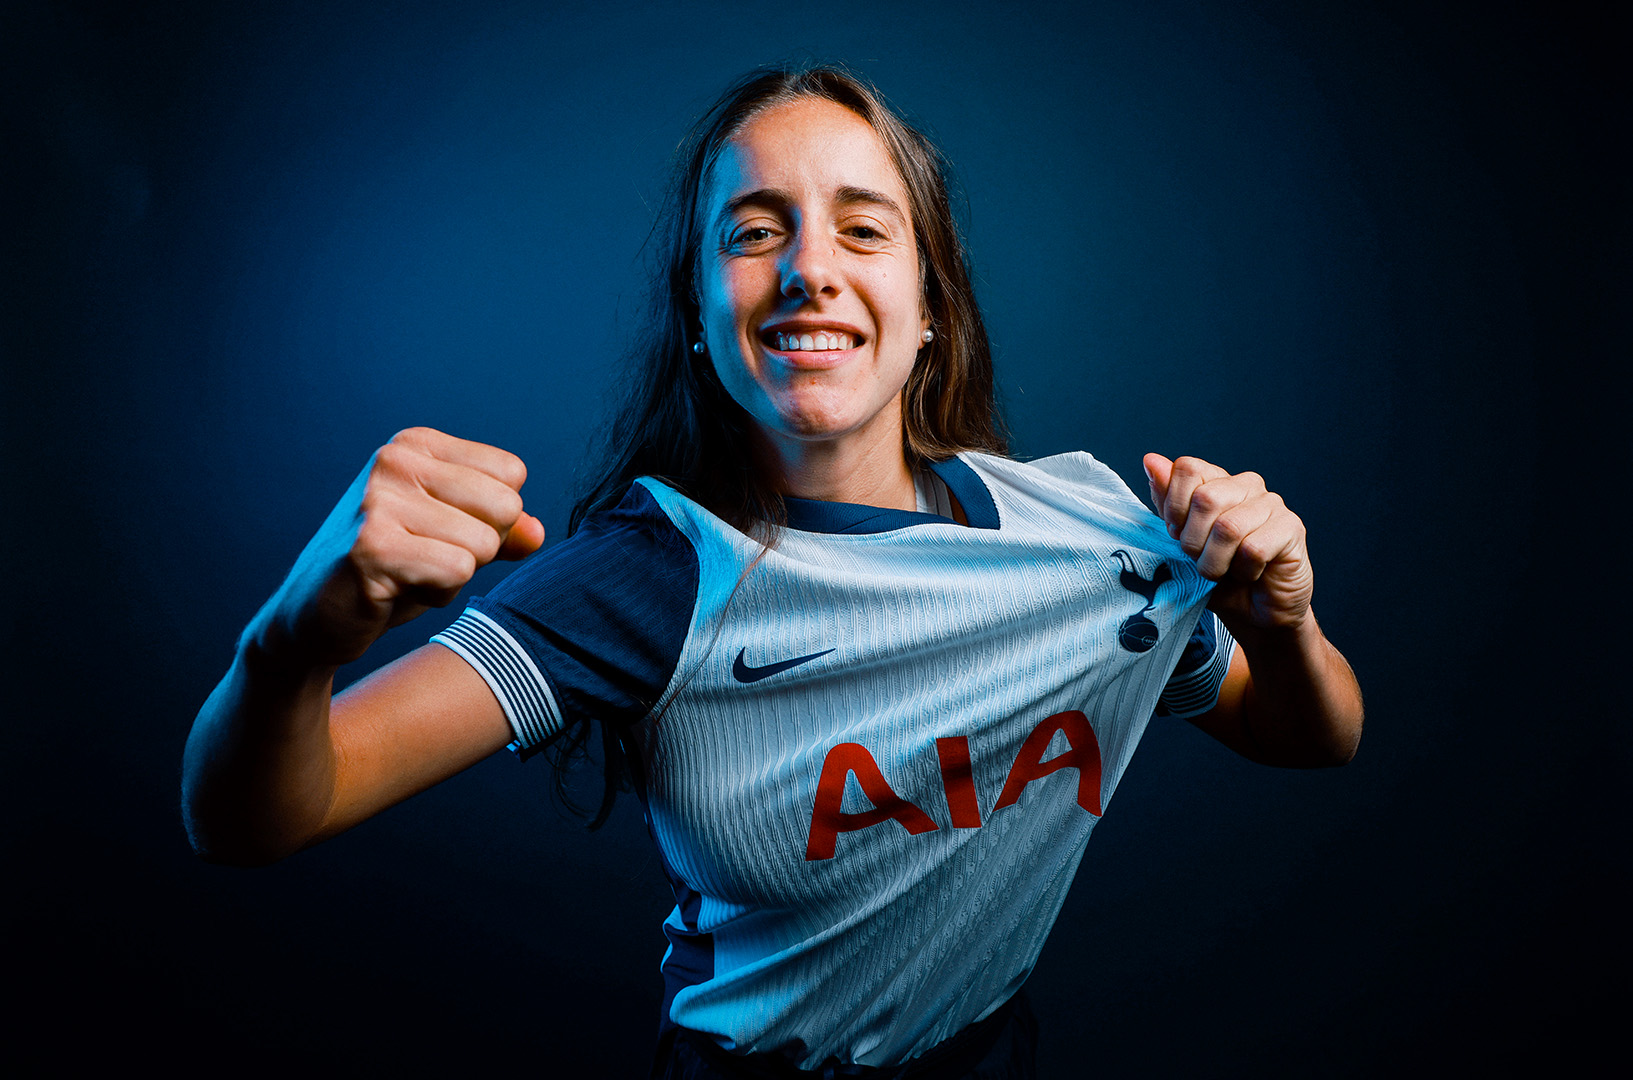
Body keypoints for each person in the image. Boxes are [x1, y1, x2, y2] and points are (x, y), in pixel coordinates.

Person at [182, 65, 1362, 1078]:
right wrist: (296, 637)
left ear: (929, 306)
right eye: (753, 232)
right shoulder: (653, 576)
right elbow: (257, 819)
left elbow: (1317, 735)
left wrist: (1285, 623)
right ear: (700, 314)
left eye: (862, 226)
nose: (809, 269)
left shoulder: (1096, 534)